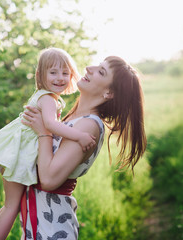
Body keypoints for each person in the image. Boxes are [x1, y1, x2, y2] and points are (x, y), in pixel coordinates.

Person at [0, 47, 97, 240]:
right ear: (40, 75)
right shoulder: (47, 99)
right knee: (11, 208)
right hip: (17, 155)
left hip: (14, 152)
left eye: (65, 73)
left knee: (7, 206)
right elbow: (50, 125)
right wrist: (78, 136)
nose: (60, 78)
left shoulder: (47, 97)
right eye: (53, 72)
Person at [21, 56, 147, 240]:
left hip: (53, 229)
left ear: (109, 93)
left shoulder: (88, 125)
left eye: (101, 71)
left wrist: (43, 131)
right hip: (40, 224)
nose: (89, 68)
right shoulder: (72, 119)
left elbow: (48, 179)